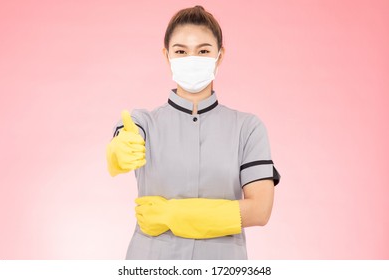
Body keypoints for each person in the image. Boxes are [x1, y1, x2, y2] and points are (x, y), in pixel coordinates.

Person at [106, 5, 281, 260]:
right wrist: (119, 151)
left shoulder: (247, 128)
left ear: (219, 56)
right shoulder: (143, 122)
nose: (192, 58)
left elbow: (260, 210)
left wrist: (173, 215)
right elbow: (124, 139)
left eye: (203, 51)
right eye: (181, 51)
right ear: (167, 56)